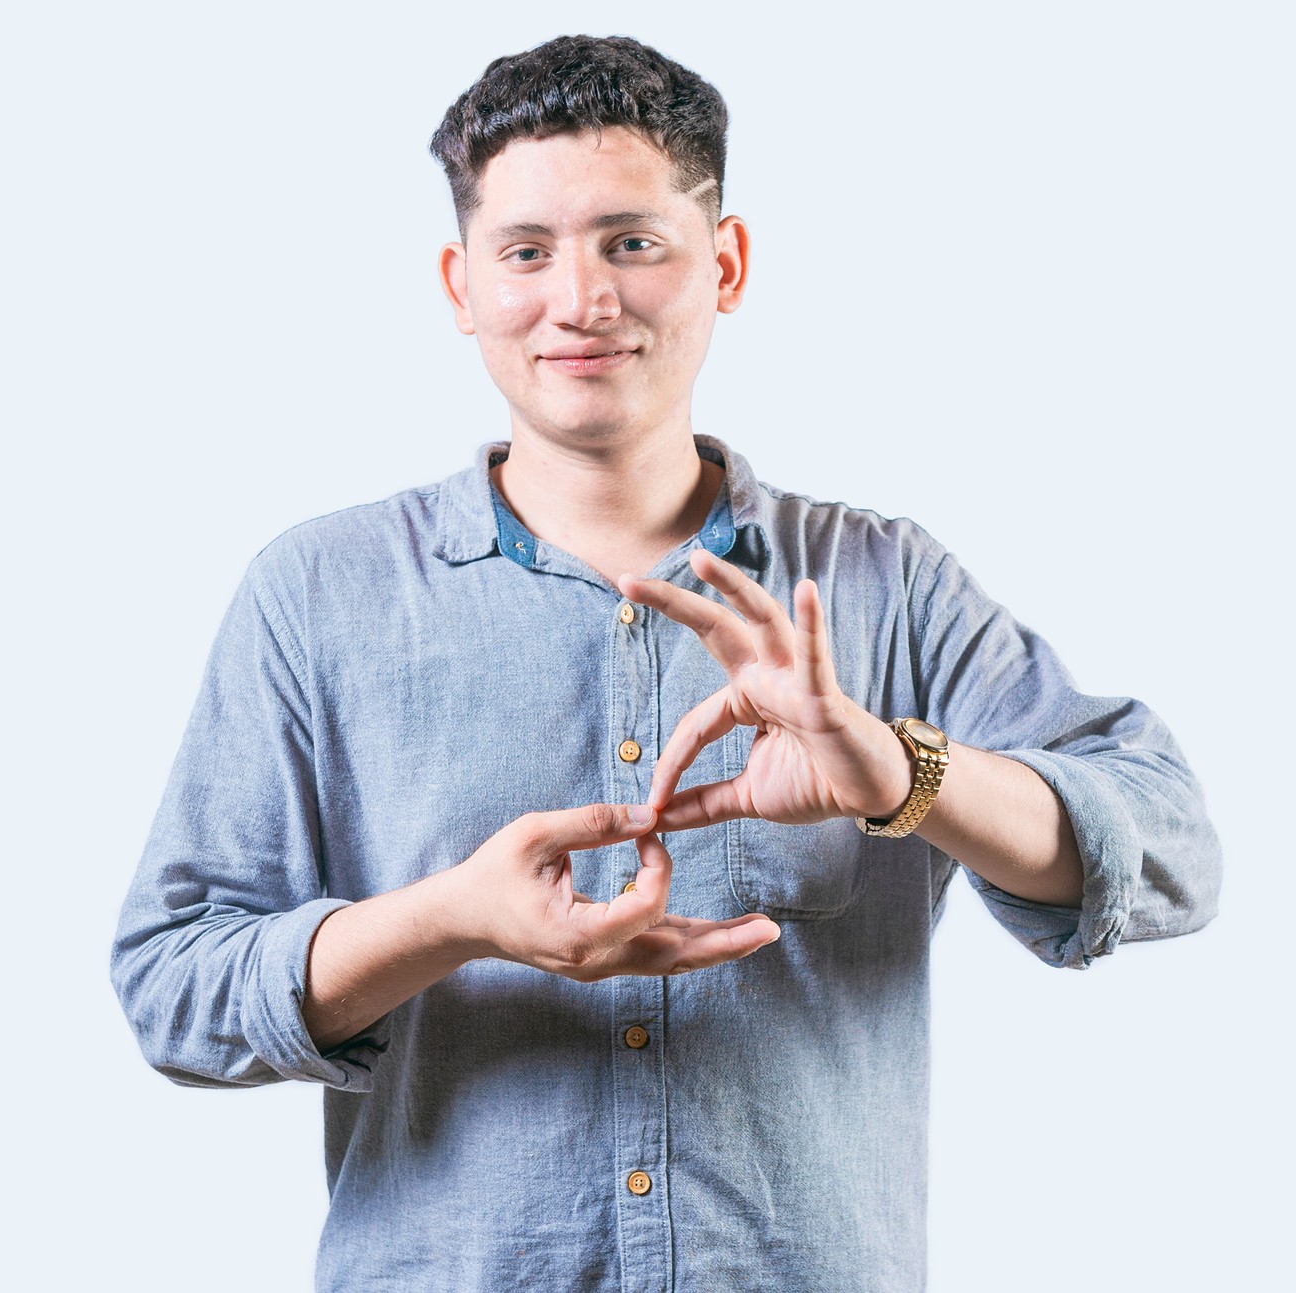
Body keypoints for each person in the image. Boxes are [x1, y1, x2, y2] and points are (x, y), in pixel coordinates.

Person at [111, 34, 1221, 1291]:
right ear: (460, 282)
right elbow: (172, 986)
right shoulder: (319, 596)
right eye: (526, 252)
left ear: (725, 263)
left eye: (632, 243)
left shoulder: (879, 584)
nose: (581, 300)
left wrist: (900, 773)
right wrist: (448, 924)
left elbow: (1173, 851)